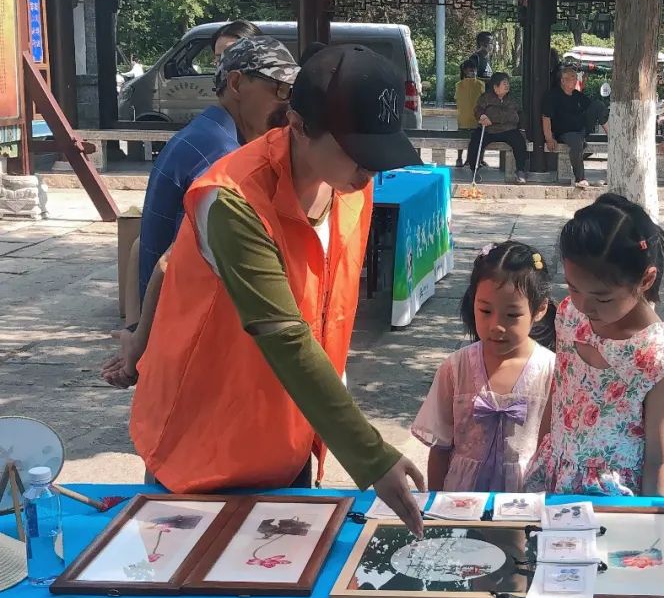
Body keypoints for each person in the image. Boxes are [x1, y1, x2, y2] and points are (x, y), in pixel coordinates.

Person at [128, 44, 429, 536]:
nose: (370, 169)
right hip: (203, 446)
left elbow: (326, 311)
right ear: (299, 125)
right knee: (198, 581)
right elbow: (285, 335)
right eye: (358, 152)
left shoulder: (351, 186)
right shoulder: (231, 200)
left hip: (290, 434)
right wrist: (371, 456)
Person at [102, 37, 298, 388]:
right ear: (236, 83)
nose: (287, 104)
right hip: (191, 353)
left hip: (171, 343)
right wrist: (140, 346)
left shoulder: (204, 135)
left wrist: (135, 332)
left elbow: (140, 248)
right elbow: (171, 260)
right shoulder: (223, 159)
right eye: (279, 89)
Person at [523, 193, 664, 497]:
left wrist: (654, 517)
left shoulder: (655, 359)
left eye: (603, 298)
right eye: (573, 288)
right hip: (554, 476)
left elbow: (658, 461)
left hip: (611, 500)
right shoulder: (570, 315)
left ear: (646, 280)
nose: (585, 306)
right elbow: (559, 394)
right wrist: (540, 455)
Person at [411, 241, 556, 492]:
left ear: (540, 309)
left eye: (512, 315)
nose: (496, 326)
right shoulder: (455, 369)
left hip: (524, 498)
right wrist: (434, 502)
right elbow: (440, 448)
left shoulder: (551, 371)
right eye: (486, 311)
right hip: (460, 496)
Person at [466, 72, 528, 184]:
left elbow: (520, 113)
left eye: (508, 83)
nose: (507, 86)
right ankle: (474, 170)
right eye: (504, 83)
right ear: (495, 86)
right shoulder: (485, 98)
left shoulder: (512, 99)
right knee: (475, 141)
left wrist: (522, 127)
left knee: (519, 142)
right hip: (489, 130)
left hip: (508, 129)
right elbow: (478, 110)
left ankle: (520, 171)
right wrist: (482, 116)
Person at [543, 66, 594, 188]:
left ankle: (610, 135)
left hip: (581, 130)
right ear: (563, 80)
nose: (575, 80)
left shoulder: (577, 95)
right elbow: (546, 118)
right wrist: (549, 138)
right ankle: (580, 178)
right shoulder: (553, 96)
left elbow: (591, 107)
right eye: (572, 77)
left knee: (597, 106)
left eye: (576, 78)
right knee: (577, 142)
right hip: (564, 132)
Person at [454, 61, 485, 167]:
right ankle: (478, 160)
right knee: (480, 139)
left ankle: (459, 159)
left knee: (460, 140)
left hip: (462, 119)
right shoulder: (480, 84)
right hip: (477, 120)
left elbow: (457, 99)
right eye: (471, 68)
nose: (473, 70)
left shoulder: (458, 85)